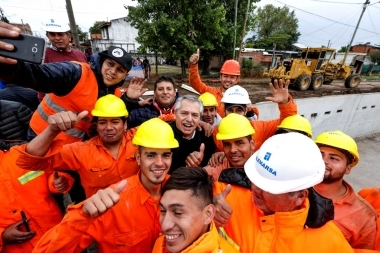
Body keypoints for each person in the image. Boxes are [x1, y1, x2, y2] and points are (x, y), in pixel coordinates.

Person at [32, 118, 179, 252]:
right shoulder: (111, 204)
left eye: (165, 155)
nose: (159, 163)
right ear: (138, 158)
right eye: (151, 155)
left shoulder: (182, 192)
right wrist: (82, 216)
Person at [0, 21, 147, 145]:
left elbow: (110, 116)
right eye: (110, 64)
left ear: (125, 76)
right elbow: (39, 76)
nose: (113, 71)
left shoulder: (114, 93)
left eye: (120, 69)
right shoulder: (76, 72)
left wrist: (128, 99)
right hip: (42, 138)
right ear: (102, 62)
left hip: (72, 146)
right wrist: (10, 67)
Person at [235, 132, 355, 252]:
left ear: (300, 196)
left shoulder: (329, 243)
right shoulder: (230, 201)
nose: (255, 189)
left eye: (268, 187)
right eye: (255, 179)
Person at [16, 95, 141, 198]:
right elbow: (30, 161)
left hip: (136, 212)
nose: (109, 127)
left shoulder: (139, 137)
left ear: (125, 125)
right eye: (102, 122)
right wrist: (52, 130)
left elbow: (161, 120)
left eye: (115, 122)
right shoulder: (81, 151)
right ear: (96, 126)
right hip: (102, 219)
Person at [0, 146, 73, 252]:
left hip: (57, 236)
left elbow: (47, 173)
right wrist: (2, 236)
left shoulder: (20, 155)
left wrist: (56, 182)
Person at [207, 81, 297, 167]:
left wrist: (285, 103)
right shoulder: (216, 131)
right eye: (230, 110)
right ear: (224, 111)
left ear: (246, 110)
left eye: (239, 110)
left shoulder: (260, 128)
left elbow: (287, 121)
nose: (234, 114)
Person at [314, 131, 378, 249]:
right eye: (320, 155)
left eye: (334, 158)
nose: (324, 161)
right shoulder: (292, 188)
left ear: (348, 169)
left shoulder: (363, 216)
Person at [152, 167, 239, 253]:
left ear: (208, 214)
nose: (164, 226)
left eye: (178, 213)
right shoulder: (160, 243)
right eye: (163, 211)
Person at [39, 18, 88, 101]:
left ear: (69, 37)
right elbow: (41, 82)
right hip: (55, 104)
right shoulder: (43, 55)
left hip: (80, 100)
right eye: (52, 35)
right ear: (48, 36)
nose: (57, 38)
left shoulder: (80, 55)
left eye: (60, 34)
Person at [169, 95, 216, 173]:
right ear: (175, 113)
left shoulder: (206, 135)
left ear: (199, 118)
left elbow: (210, 166)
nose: (189, 119)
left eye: (195, 115)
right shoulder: (164, 132)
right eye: (184, 113)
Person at [189, 49, 240, 117]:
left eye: (232, 77)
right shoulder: (211, 92)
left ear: (237, 79)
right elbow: (195, 83)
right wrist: (194, 65)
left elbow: (253, 117)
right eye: (225, 76)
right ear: (220, 77)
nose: (228, 80)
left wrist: (250, 110)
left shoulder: (241, 97)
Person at [205, 113, 255, 181]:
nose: (232, 150)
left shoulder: (266, 169)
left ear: (252, 144)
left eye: (239, 143)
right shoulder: (214, 171)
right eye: (227, 144)